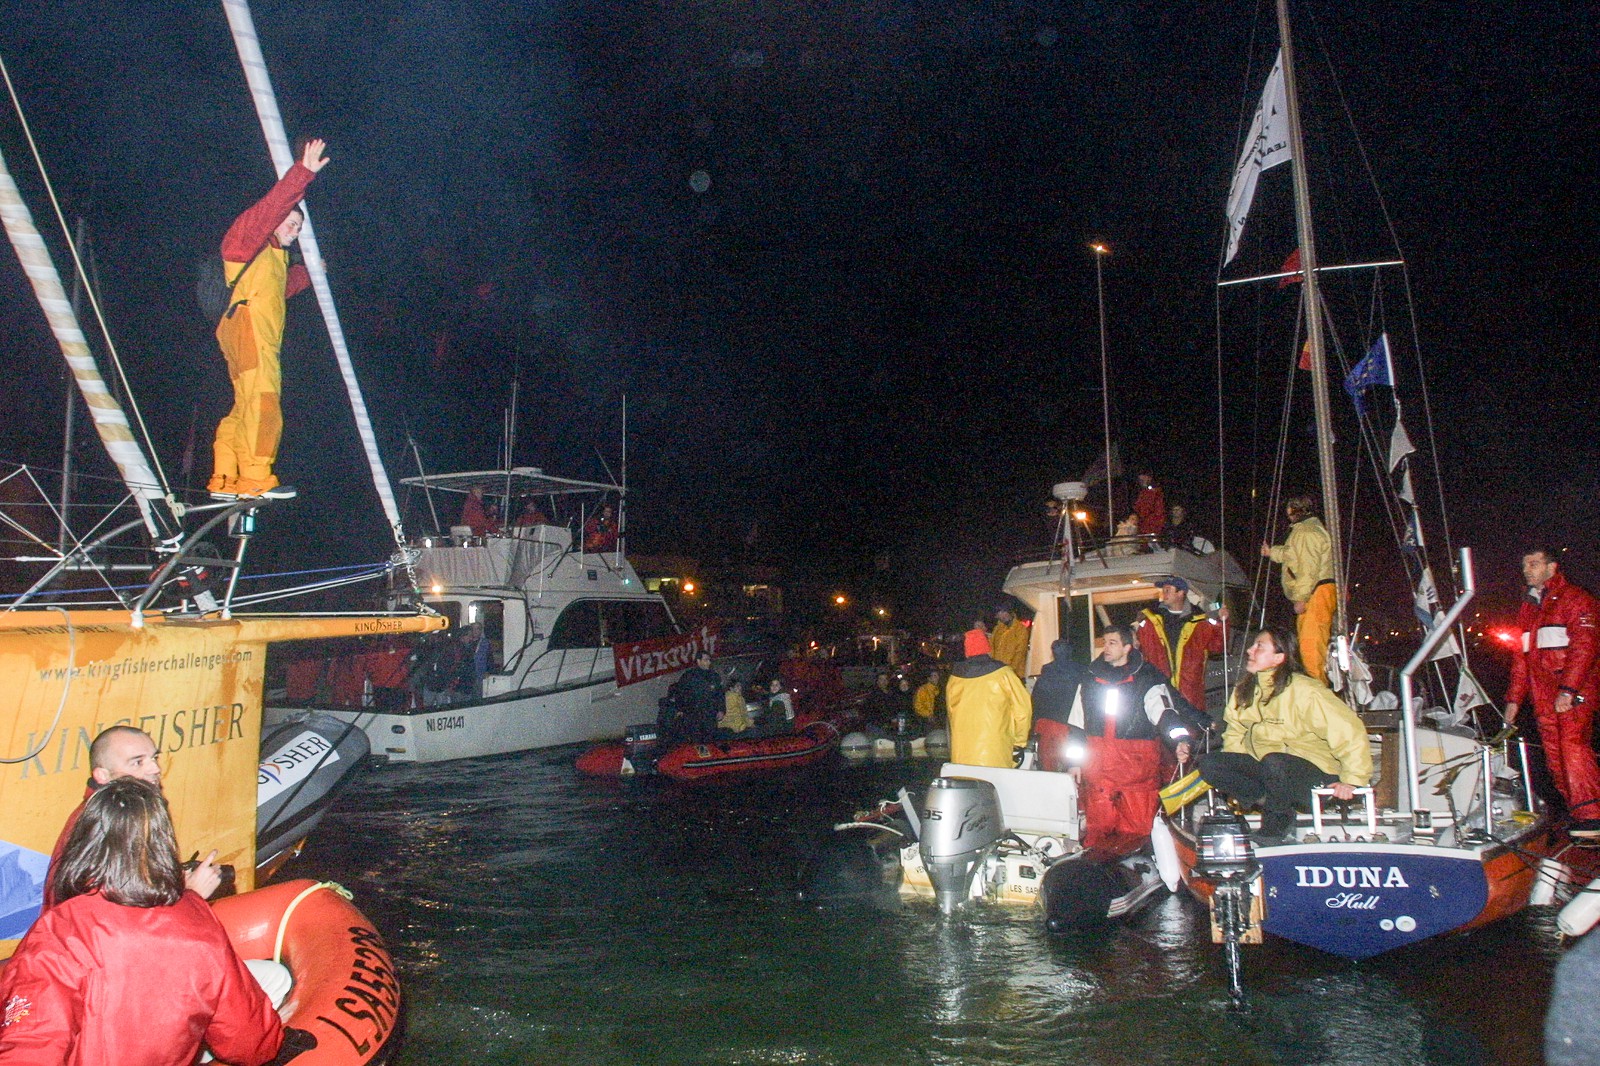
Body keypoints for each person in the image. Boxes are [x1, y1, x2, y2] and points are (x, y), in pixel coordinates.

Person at [0, 779, 285, 1065]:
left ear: (86, 842)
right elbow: (253, 1044)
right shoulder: (199, 922)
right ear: (164, 843)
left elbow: (31, 1045)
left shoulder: (61, 928)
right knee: (276, 978)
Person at [208, 137, 329, 498]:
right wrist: (302, 173)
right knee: (263, 398)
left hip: (243, 330)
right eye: (291, 222)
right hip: (249, 330)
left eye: (299, 226)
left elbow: (280, 289)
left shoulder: (274, 259)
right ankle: (256, 477)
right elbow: (272, 207)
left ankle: (225, 476)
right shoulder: (247, 242)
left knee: (245, 404)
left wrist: (309, 273)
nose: (295, 229)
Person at [1197, 627, 1371, 846]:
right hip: (1271, 774)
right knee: (1210, 763)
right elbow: (1235, 733)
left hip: (1314, 778)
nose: (1250, 650)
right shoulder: (1245, 689)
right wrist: (1238, 773)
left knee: (1275, 761)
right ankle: (1271, 803)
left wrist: (1352, 781)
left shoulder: (1306, 691)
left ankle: (1278, 819)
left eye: (1259, 646)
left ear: (1279, 657)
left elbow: (1348, 730)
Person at [44, 726, 222, 912]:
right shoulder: (102, 826)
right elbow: (116, 919)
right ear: (103, 775)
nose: (155, 769)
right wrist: (191, 896)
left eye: (154, 758)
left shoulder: (127, 814)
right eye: (137, 762)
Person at [1061, 626, 1196, 854]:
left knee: (1137, 837)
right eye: (1105, 642)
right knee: (1097, 836)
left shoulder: (1147, 680)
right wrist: (1073, 763)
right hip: (1099, 777)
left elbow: (1164, 714)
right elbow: (1076, 725)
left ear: (1127, 647)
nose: (1106, 648)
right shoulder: (1089, 681)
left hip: (1135, 777)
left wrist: (1180, 740)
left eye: (1112, 643)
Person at [1504, 546, 1600, 837]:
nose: (1527, 570)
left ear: (1552, 567)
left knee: (1573, 745)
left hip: (1573, 689)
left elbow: (1585, 648)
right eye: (1524, 565)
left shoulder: (1576, 599)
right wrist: (1513, 700)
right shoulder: (1529, 607)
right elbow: (1522, 659)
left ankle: (1592, 814)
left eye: (1533, 564)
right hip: (1542, 693)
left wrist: (1568, 690)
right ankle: (1577, 810)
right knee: (1554, 751)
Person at [1260, 494, 1336, 684]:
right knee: (1307, 645)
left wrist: (1301, 597)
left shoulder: (1306, 532)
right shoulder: (1306, 530)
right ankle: (1316, 687)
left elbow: (1308, 567)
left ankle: (1318, 691)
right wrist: (1271, 552)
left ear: (1293, 510)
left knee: (1311, 648)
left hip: (1315, 593)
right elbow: (1292, 554)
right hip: (1315, 592)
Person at [1135, 575, 1228, 714]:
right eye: (1163, 590)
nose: (1164, 593)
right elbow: (1139, 651)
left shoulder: (1201, 622)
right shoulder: (1149, 621)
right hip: (1160, 695)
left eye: (1168, 590)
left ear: (1181, 592)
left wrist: (1222, 622)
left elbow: (1218, 647)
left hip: (1190, 695)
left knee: (1191, 727)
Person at [944, 627, 1031, 768]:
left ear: (967, 650)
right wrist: (1019, 742)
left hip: (961, 757)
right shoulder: (1004, 674)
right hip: (996, 755)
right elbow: (1023, 711)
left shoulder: (954, 679)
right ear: (988, 648)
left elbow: (950, 716)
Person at [1030, 639, 1087, 772]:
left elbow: (1035, 703)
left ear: (1053, 653)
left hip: (1046, 728)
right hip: (1071, 729)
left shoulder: (1045, 676)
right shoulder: (1082, 675)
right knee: (1073, 768)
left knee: (1049, 770)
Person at [660, 651, 723, 744]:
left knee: (711, 740)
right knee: (696, 741)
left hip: (710, 714)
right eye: (706, 660)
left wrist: (721, 709)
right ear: (698, 661)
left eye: (709, 660)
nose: (709, 662)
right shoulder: (688, 676)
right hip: (693, 715)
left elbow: (720, 694)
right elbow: (680, 694)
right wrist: (681, 709)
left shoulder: (714, 676)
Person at [990, 604, 1031, 680]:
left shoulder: (1020, 629)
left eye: (1004, 612)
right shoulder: (997, 629)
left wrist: (1011, 670)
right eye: (999, 614)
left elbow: (1020, 651)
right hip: (998, 672)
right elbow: (991, 648)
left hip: (1016, 673)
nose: (1002, 616)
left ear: (1009, 612)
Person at [1133, 471, 1166, 537]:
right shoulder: (1142, 493)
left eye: (1144, 478)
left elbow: (1148, 509)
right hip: (1143, 526)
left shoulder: (1156, 492)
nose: (1142, 481)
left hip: (1153, 526)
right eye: (1140, 480)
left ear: (1149, 478)